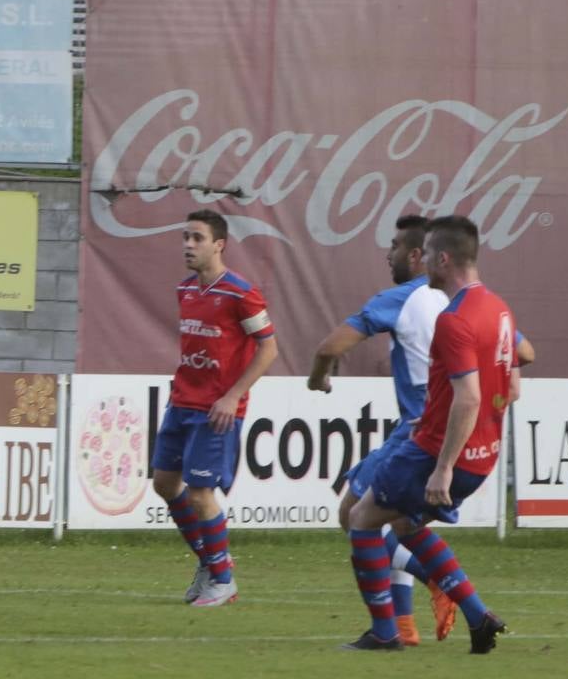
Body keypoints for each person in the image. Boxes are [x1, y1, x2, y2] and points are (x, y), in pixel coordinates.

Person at [342, 216, 523, 653]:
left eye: (428, 256)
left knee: (360, 520)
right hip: (482, 456)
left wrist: (442, 467)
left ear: (443, 259)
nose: (422, 265)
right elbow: (511, 387)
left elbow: (469, 398)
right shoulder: (499, 308)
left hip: (435, 452)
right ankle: (478, 617)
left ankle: (386, 632)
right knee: (405, 523)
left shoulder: (453, 319)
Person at [309, 215, 454, 644]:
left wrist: (319, 376)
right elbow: (521, 351)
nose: (387, 255)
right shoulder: (464, 301)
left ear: (415, 255)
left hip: (417, 430)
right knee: (394, 520)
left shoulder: (403, 298)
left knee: (355, 516)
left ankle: (431, 582)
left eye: (392, 247)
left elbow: (330, 346)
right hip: (454, 429)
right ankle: (403, 626)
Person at [152, 209, 279, 608]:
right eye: (185, 237)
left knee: (201, 494)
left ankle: (223, 581)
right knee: (165, 485)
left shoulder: (241, 292)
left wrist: (233, 395)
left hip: (217, 411)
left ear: (219, 245)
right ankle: (211, 562)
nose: (188, 245)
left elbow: (269, 347)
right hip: (182, 403)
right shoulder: (185, 290)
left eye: (197, 238)